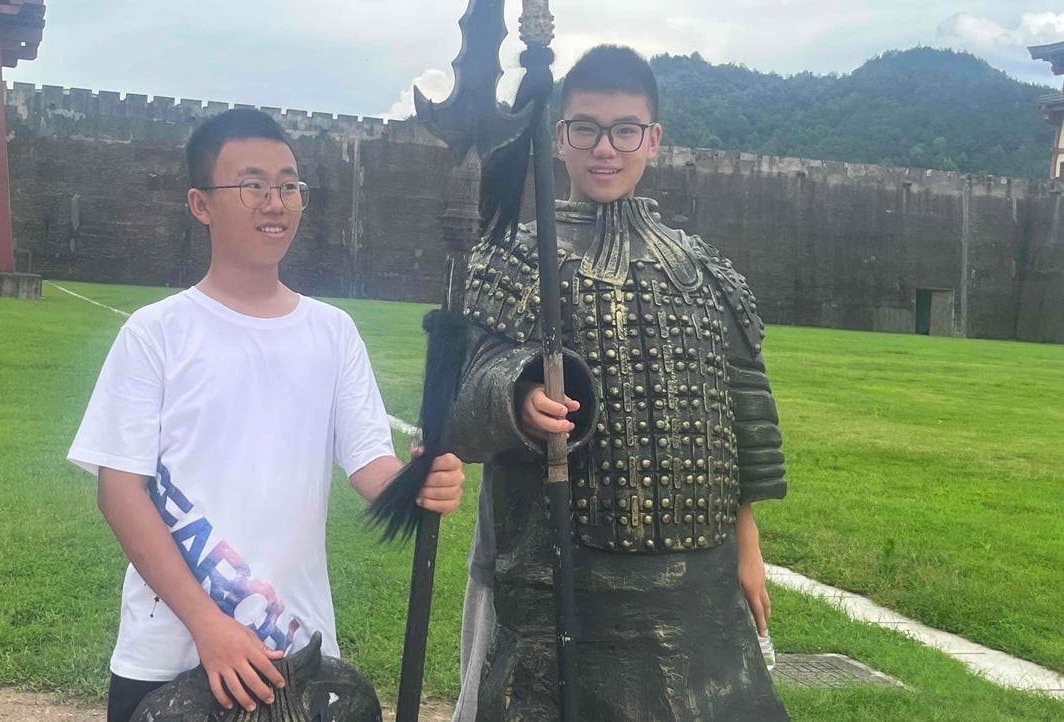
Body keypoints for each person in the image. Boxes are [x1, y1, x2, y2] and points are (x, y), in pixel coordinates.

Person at [67, 108, 465, 722]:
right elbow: (120, 493)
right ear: (201, 204)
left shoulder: (332, 332)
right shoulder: (156, 333)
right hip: (169, 651)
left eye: (288, 185)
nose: (275, 203)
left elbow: (371, 466)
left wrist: (418, 481)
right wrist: (208, 625)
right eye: (252, 186)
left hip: (296, 655)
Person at [449, 46, 789, 721]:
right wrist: (520, 398)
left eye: (624, 130)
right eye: (587, 129)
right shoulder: (515, 257)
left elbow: (739, 418)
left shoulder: (705, 272)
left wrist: (747, 547)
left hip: (701, 586)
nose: (605, 149)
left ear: (652, 139)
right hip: (558, 576)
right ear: (560, 137)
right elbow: (463, 402)